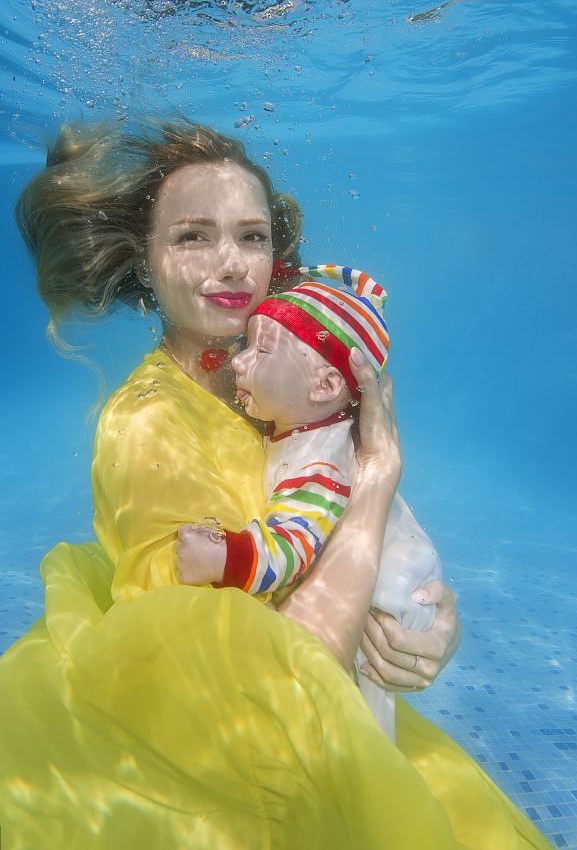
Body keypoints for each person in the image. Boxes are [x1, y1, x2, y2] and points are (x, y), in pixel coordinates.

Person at [0, 118, 551, 850]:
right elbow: (277, 683)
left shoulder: (290, 385)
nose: (231, 263)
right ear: (144, 259)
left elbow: (365, 551)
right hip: (227, 773)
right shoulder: (148, 429)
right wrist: (379, 477)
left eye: (252, 236)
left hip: (328, 721)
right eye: (192, 236)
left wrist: (427, 624)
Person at [175, 264, 442, 742]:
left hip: (387, 601)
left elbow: (295, 541)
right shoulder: (308, 425)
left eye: (260, 350)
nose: (237, 361)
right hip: (394, 589)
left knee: (354, 723)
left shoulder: (318, 461)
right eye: (245, 344)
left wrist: (224, 558)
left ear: (324, 386)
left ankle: (360, 784)